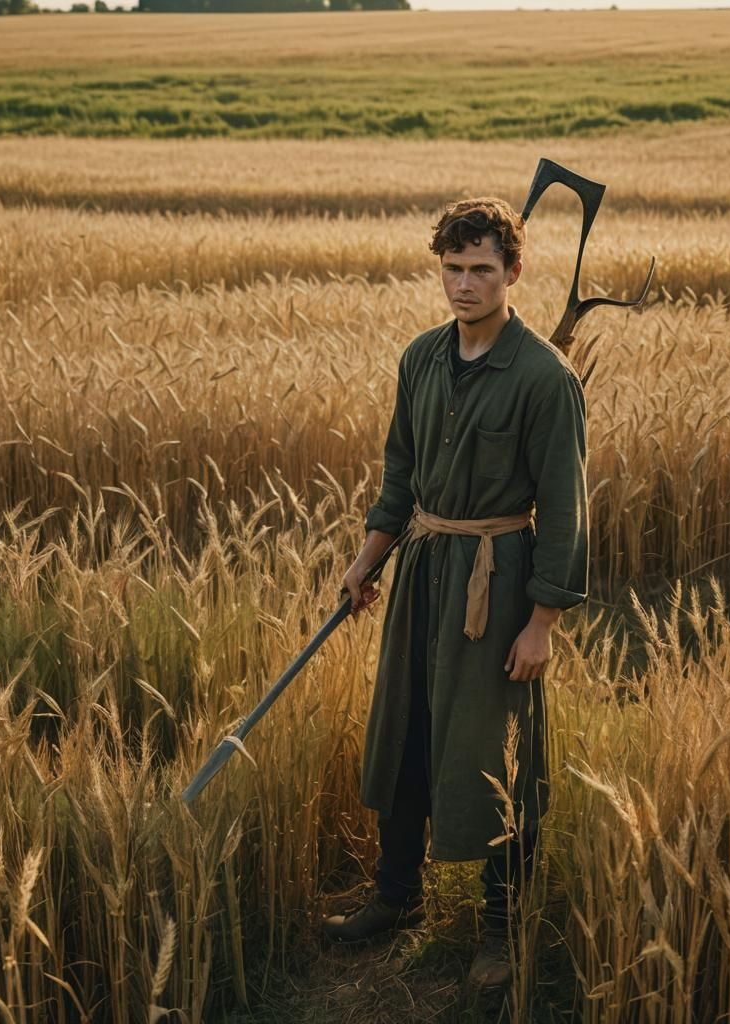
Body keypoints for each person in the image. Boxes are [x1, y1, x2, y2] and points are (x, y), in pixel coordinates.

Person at [322, 197, 589, 989]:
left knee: (494, 748)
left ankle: (502, 931)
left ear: (512, 272)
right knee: (405, 727)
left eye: (481, 269)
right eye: (452, 268)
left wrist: (541, 621)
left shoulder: (545, 377)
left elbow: (568, 509)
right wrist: (368, 557)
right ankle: (396, 897)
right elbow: (400, 473)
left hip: (496, 582)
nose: (464, 284)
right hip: (422, 570)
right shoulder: (421, 358)